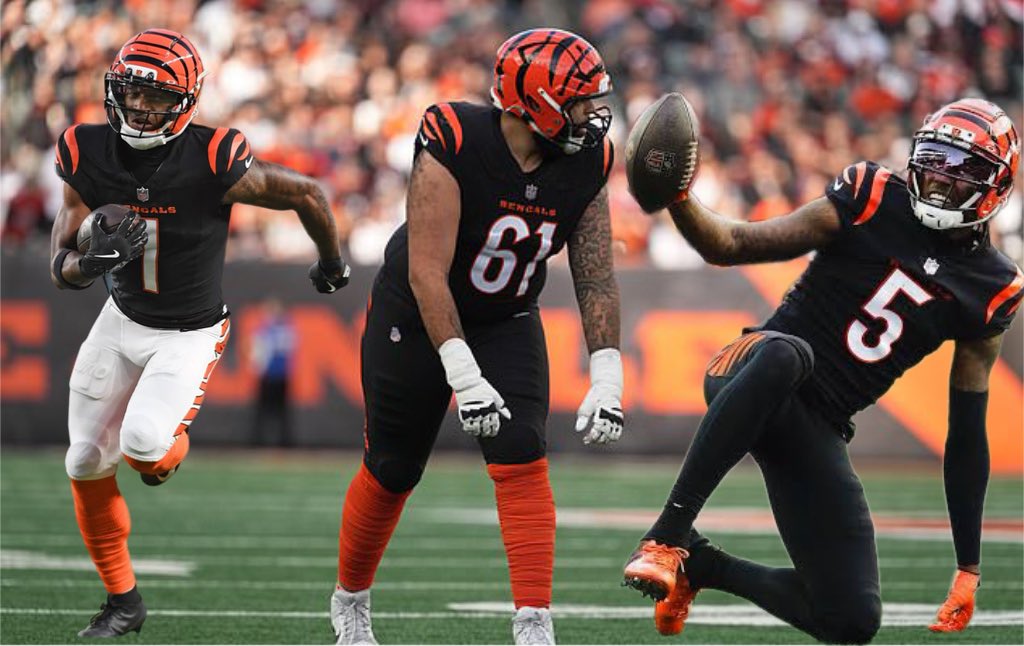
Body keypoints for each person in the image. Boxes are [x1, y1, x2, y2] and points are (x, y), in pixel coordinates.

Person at [622, 97, 1021, 643]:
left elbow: (967, 431)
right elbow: (733, 242)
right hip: (752, 366)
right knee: (792, 354)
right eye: (933, 162)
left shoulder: (993, 287)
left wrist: (968, 565)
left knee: (850, 618)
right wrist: (680, 199)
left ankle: (700, 566)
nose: (938, 181)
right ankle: (666, 537)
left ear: (994, 187)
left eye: (960, 173)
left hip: (817, 426)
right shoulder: (873, 195)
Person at [49, 29, 350, 638]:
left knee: (143, 449)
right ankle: (123, 603)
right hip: (121, 318)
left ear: (185, 102)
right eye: (132, 93)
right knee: (82, 460)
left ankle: (168, 445)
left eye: (156, 99)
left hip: (188, 331)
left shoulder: (214, 158)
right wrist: (94, 264)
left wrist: (331, 262)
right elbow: (62, 266)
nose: (140, 108)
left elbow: (309, 194)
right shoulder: (86, 150)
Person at [330, 28, 623, 646]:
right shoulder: (454, 136)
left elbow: (595, 274)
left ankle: (534, 625)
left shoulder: (589, 159)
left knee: (522, 452)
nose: (593, 116)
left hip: (507, 314)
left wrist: (607, 374)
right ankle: (350, 601)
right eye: (579, 101)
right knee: (392, 467)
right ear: (537, 101)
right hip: (415, 310)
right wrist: (464, 377)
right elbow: (426, 270)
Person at [249, 298, 297, 447]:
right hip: (273, 375)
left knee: (276, 411)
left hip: (276, 375)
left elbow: (259, 354)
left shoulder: (271, 330)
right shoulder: (283, 328)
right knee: (268, 411)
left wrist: (257, 367)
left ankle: (280, 441)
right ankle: (263, 440)